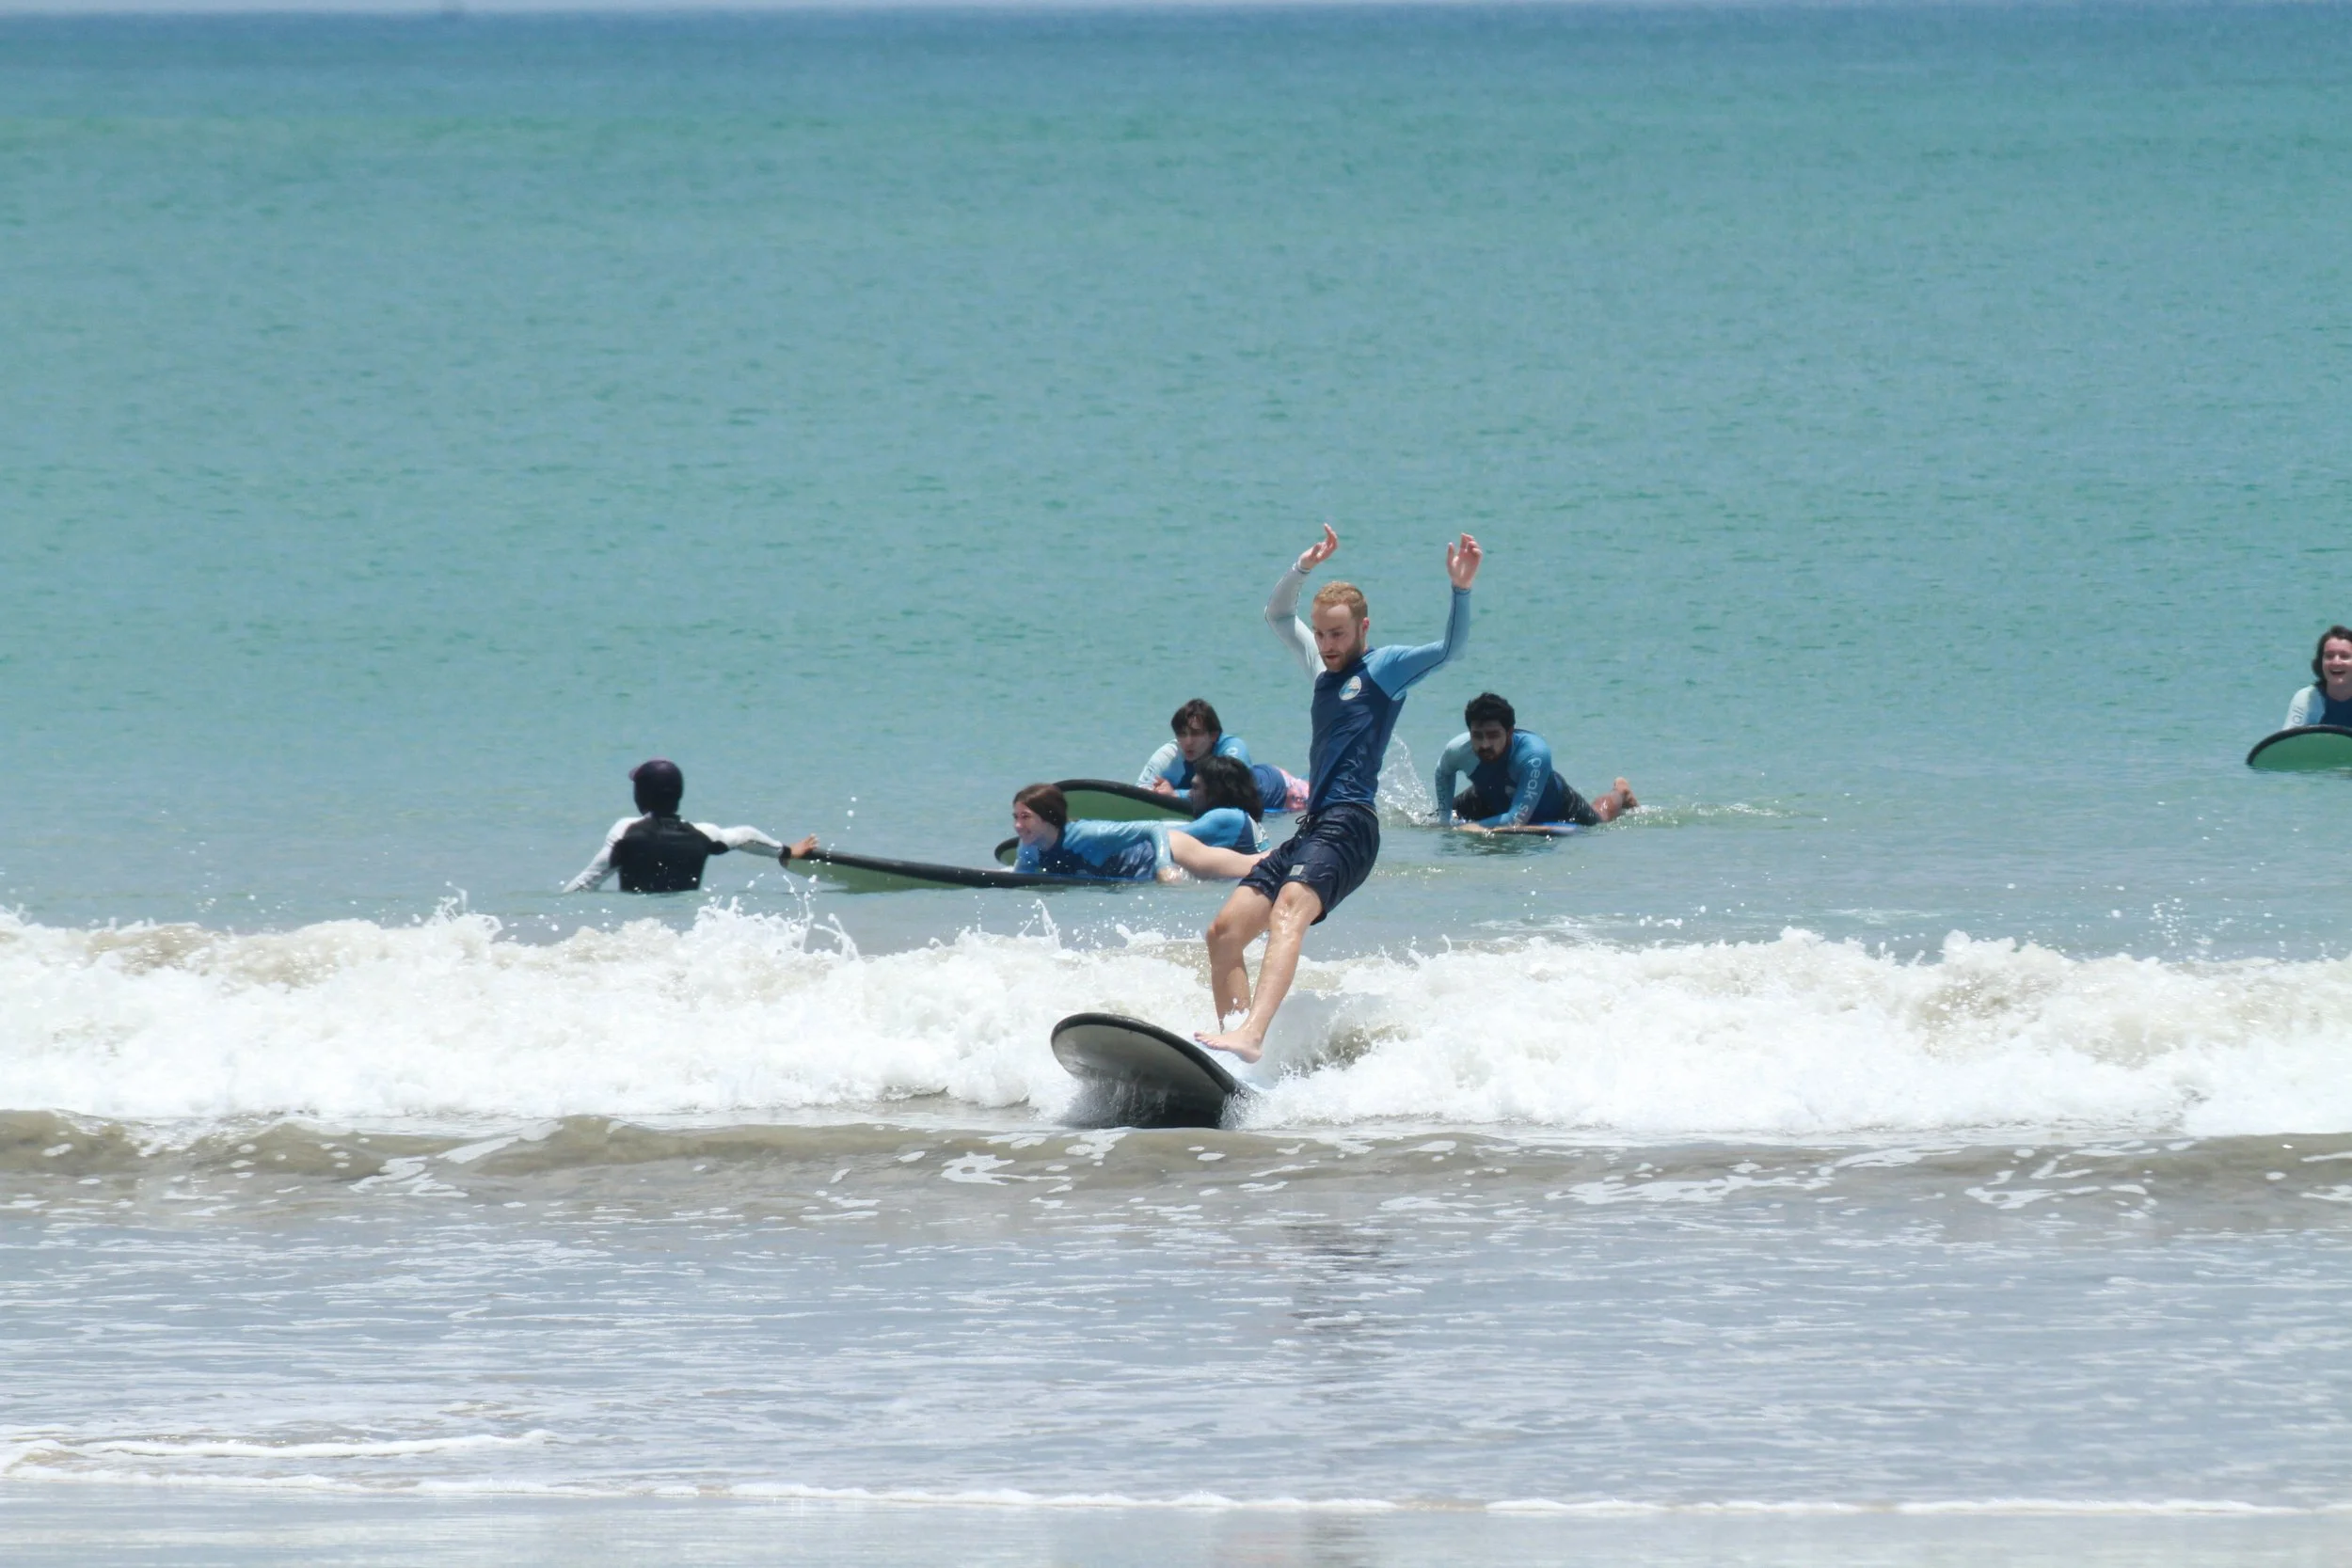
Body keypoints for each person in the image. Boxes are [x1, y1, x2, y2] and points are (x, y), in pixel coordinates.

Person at [1198, 524, 1480, 1062]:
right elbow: (1279, 616)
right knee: (1224, 933)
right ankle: (1236, 1056)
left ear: (1362, 629)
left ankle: (1253, 1035)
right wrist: (1301, 569)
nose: (1327, 646)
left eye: (1338, 635)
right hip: (1312, 831)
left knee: (1288, 914)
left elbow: (1449, 652)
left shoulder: (1382, 671)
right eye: (1323, 635)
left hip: (1350, 825)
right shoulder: (1322, 669)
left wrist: (1460, 590)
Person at [564, 759, 816, 894]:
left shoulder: (626, 830)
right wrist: (785, 851)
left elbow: (587, 883)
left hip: (637, 931)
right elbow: (745, 836)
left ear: (640, 795)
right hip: (684, 930)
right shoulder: (704, 835)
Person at [1434, 692, 1637, 832]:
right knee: (1430, 822)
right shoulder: (1458, 749)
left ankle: (1621, 793)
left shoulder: (1534, 755)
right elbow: (1443, 772)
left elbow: (1516, 820)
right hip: (1487, 796)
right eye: (1477, 736)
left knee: (1599, 819)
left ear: (1510, 732)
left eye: (1493, 735)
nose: (1485, 744)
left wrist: (1471, 828)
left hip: (1555, 805)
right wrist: (1444, 818)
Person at [1011, 782, 1265, 882]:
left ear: (1049, 817)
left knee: (1254, 866)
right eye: (1016, 817)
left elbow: (1152, 827)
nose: (1018, 826)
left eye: (1026, 817)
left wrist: (1164, 865)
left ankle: (1294, 854)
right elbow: (1022, 878)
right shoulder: (1028, 847)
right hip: (1146, 870)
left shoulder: (1089, 833)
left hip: (1174, 849)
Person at [1138, 699, 1252, 795]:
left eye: (1196, 733)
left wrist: (1176, 794)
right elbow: (1140, 792)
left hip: (1266, 789)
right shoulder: (1169, 755)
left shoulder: (1232, 747)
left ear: (1214, 735)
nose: (1188, 742)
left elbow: (1230, 793)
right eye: (1181, 734)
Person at [2283, 626, 2352, 729]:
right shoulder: (2307, 699)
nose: (2336, 662)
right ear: (2321, 662)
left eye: (2344, 656)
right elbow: (2288, 743)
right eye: (2329, 656)